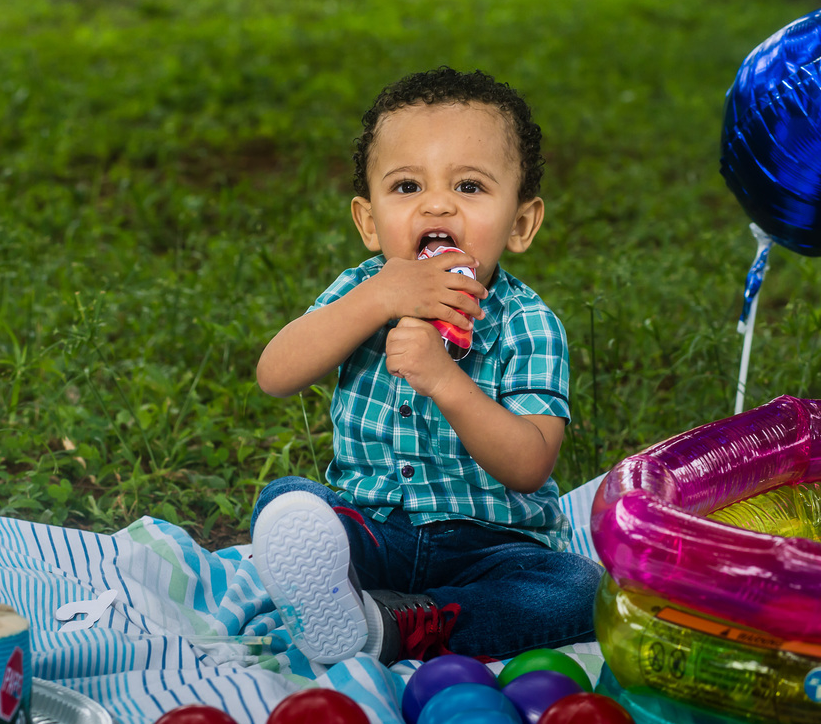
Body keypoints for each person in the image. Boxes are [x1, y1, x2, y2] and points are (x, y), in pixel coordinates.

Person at [251, 67, 603, 666]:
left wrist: (445, 379)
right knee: (289, 502)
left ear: (520, 224)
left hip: (493, 550)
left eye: (469, 187)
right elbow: (275, 374)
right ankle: (351, 596)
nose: (437, 203)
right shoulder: (363, 290)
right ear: (368, 221)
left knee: (577, 590)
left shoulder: (529, 324)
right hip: (376, 530)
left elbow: (528, 464)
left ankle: (404, 623)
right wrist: (379, 300)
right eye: (408, 187)